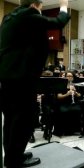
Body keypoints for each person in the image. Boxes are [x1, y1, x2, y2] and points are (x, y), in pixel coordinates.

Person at [0, 0, 70, 167]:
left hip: (8, 77)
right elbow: (59, 21)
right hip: (22, 79)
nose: (40, 11)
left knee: (10, 118)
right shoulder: (29, 15)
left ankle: (11, 156)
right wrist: (63, 5)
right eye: (40, 7)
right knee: (25, 119)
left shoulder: (9, 18)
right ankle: (14, 160)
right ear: (34, 5)